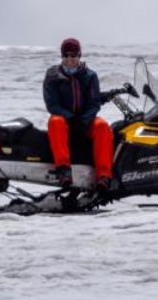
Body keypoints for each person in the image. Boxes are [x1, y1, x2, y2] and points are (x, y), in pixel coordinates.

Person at [43, 38, 113, 191]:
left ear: (79, 56)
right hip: (64, 119)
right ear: (62, 57)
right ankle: (64, 171)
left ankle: (103, 176)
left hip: (85, 121)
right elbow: (52, 104)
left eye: (73, 56)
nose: (69, 60)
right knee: (55, 122)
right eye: (66, 56)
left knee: (102, 126)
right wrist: (70, 118)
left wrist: (84, 121)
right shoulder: (52, 75)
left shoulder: (90, 76)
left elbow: (94, 103)